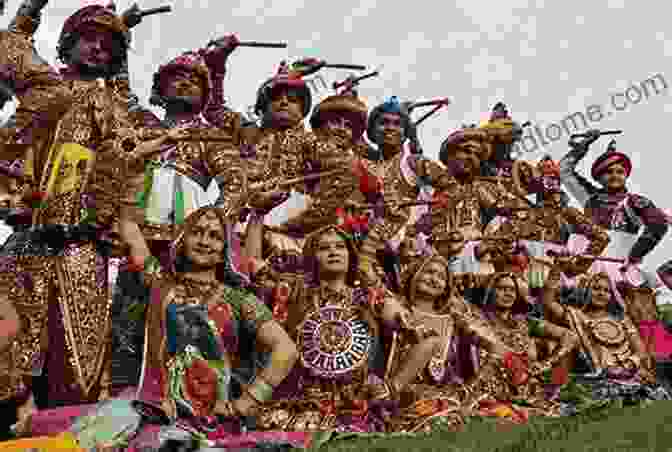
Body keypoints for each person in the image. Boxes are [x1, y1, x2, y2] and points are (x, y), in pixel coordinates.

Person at [246, 221, 412, 432]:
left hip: (356, 401)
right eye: (324, 248)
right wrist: (256, 219)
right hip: (301, 399)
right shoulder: (296, 290)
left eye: (340, 246)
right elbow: (254, 268)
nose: (333, 252)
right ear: (312, 258)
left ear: (351, 255)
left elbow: (417, 331)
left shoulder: (366, 296)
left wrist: (391, 388)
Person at [384, 251, 510, 433]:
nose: (434, 279)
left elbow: (499, 348)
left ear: (446, 287)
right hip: (401, 392)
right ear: (415, 273)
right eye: (429, 272)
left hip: (448, 392)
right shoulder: (396, 308)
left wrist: (470, 388)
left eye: (441, 277)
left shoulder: (454, 320)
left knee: (498, 414)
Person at [559, 135, 670, 337]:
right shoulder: (589, 197)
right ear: (599, 177)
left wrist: (635, 255)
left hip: (621, 267)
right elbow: (564, 173)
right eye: (608, 172)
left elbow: (658, 224)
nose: (615, 175)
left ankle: (656, 362)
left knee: (642, 320)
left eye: (620, 171)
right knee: (568, 314)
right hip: (583, 264)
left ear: (626, 175)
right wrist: (581, 148)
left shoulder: (635, 201)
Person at [542, 270, 670, 406]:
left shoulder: (622, 320)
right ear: (586, 290)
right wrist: (557, 270)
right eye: (596, 288)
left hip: (631, 374)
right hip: (599, 379)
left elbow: (641, 351)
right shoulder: (576, 316)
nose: (601, 293)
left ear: (611, 295)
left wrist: (627, 366)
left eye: (607, 290)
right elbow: (548, 302)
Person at [463, 273, 578, 418]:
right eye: (502, 288)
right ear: (490, 291)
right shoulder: (476, 318)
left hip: (529, 392)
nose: (508, 293)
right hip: (489, 391)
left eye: (512, 290)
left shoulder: (526, 322)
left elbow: (569, 337)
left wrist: (547, 363)